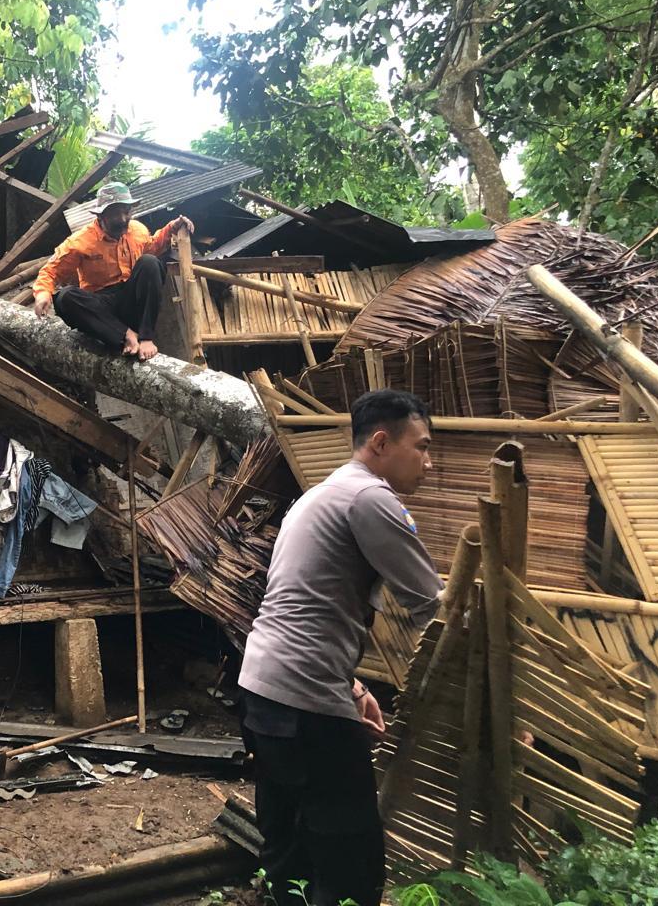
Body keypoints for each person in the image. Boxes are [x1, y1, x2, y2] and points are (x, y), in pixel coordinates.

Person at [238, 389, 442, 906]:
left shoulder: (319, 495)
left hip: (263, 688)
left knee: (289, 844)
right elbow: (433, 610)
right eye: (420, 447)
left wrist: (349, 683)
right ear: (380, 442)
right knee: (353, 854)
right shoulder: (369, 498)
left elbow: (300, 603)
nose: (428, 461)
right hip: (305, 697)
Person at [32, 181, 193, 362]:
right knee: (65, 297)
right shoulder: (81, 241)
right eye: (116, 214)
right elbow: (52, 270)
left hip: (131, 300)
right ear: (102, 216)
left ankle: (146, 337)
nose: (123, 219)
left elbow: (152, 247)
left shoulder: (137, 230)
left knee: (150, 263)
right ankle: (126, 335)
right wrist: (42, 293)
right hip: (102, 309)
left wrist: (172, 227)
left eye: (126, 212)